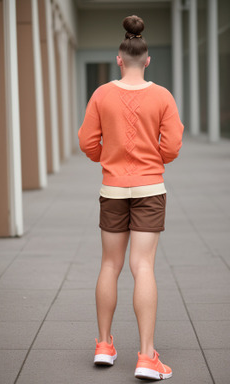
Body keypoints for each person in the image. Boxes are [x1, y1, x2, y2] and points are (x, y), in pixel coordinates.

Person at [78, 15, 184, 381]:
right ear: (148, 59)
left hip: (112, 188)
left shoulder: (102, 94)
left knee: (110, 265)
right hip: (150, 189)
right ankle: (146, 356)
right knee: (143, 267)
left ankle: (105, 345)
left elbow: (87, 142)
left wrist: (106, 158)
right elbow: (171, 147)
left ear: (119, 59)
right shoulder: (162, 96)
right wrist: (154, 158)